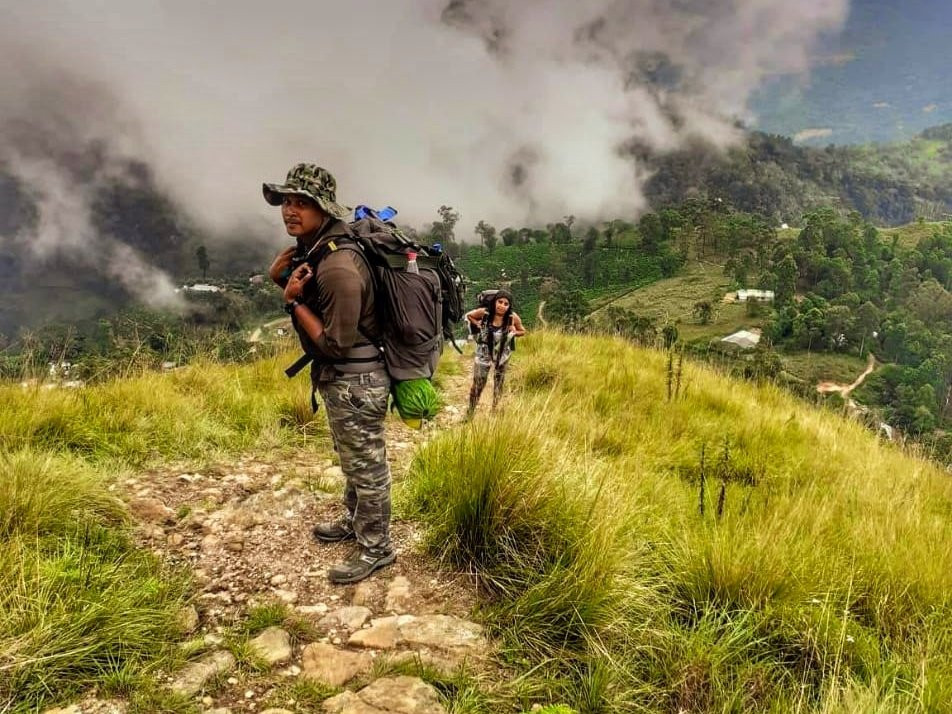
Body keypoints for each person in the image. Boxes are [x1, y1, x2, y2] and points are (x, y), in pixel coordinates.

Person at [264, 163, 394, 584]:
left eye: (302, 202)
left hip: (356, 380)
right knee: (353, 459)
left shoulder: (337, 264)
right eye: (286, 201)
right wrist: (279, 278)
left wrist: (291, 303)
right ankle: (356, 521)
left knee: (367, 465)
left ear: (323, 208)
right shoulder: (318, 249)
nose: (290, 210)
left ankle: (377, 547)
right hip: (344, 380)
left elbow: (336, 342)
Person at [464, 289, 526, 417]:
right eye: (500, 302)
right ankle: (470, 412)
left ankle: (495, 409)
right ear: (495, 301)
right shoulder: (485, 312)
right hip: (484, 351)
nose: (502, 306)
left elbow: (522, 331)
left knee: (499, 381)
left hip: (502, 353)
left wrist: (514, 331)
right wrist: (477, 323)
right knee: (478, 383)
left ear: (509, 306)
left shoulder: (512, 317)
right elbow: (469, 316)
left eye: (506, 304)